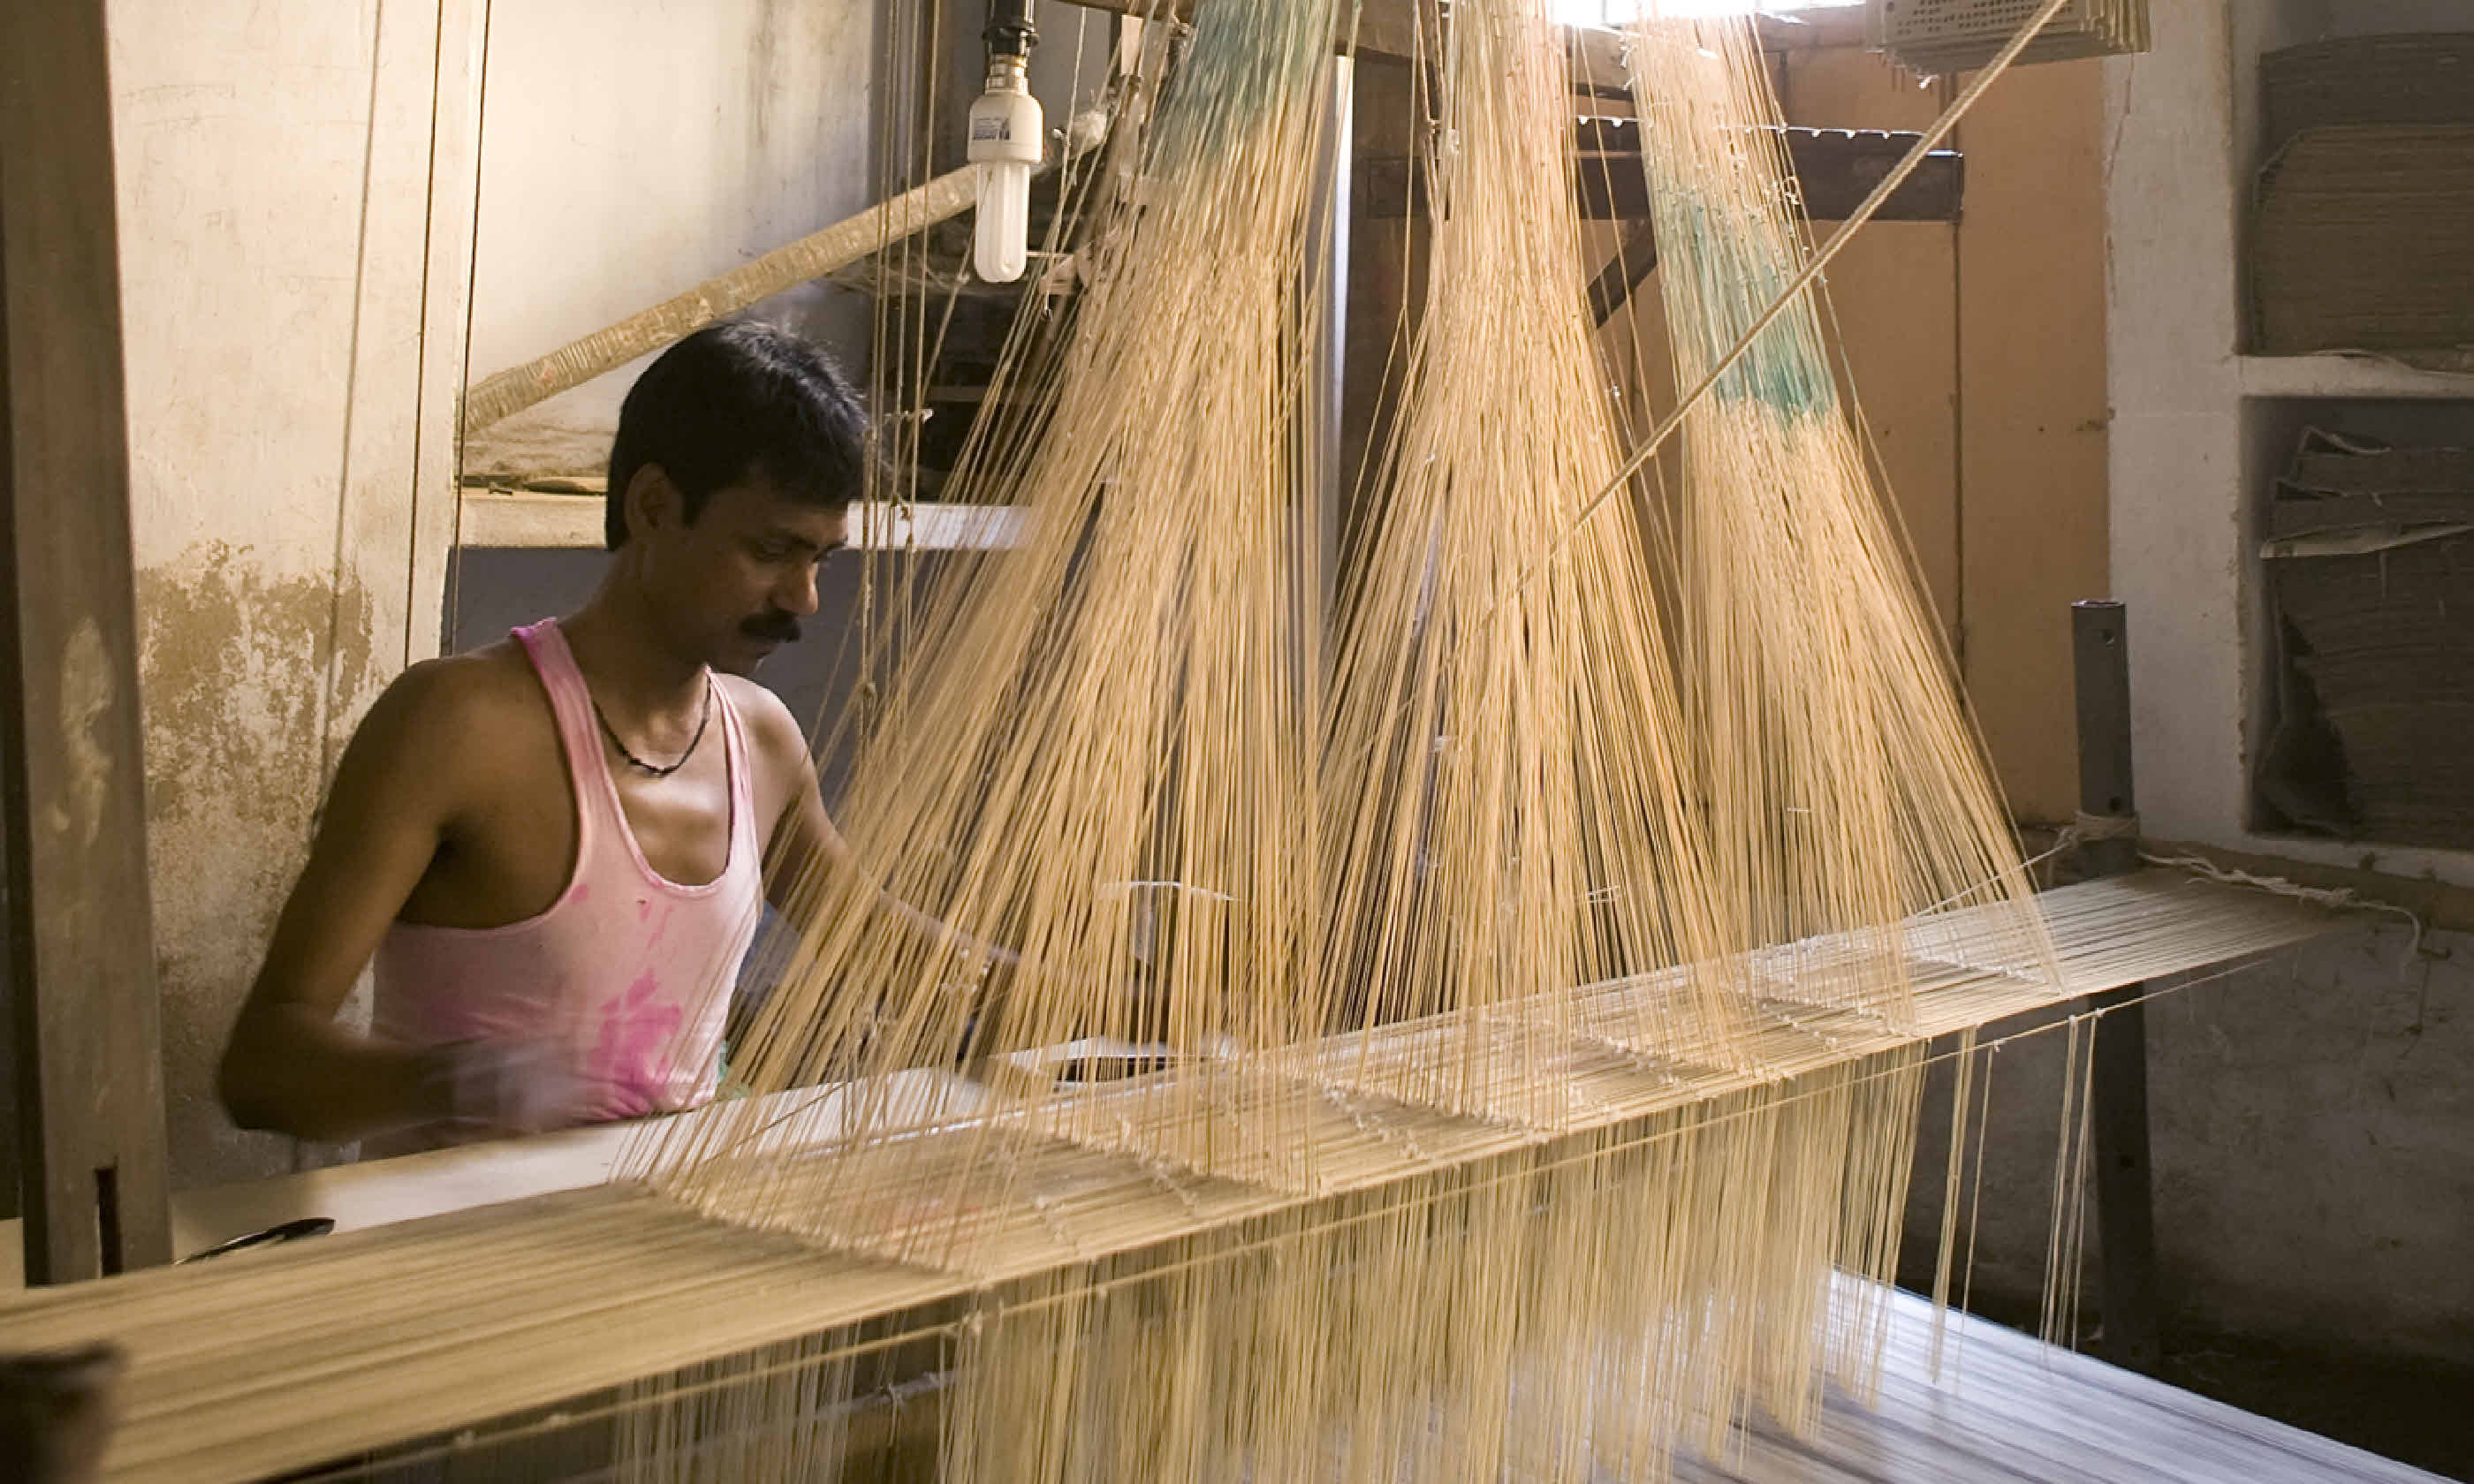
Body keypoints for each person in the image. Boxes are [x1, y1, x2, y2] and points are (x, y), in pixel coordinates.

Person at [217, 321, 970, 1149]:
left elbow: (895, 955)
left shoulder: (761, 743)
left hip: (654, 1245)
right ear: (653, 506)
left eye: (821, 558)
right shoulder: (459, 725)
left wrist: (1093, 987)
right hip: (457, 1257)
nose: (805, 598)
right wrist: (463, 1083)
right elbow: (261, 1067)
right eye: (770, 549)